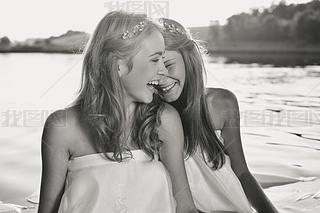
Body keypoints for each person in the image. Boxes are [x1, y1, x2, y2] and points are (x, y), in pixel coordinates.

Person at [37, 11, 199, 213]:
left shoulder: (164, 120)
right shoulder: (62, 128)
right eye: (155, 60)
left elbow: (185, 207)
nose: (163, 71)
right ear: (118, 65)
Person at [157, 18, 279, 213]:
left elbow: (242, 172)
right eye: (154, 70)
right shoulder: (150, 115)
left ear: (189, 60)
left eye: (169, 65)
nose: (161, 78)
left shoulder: (222, 103)